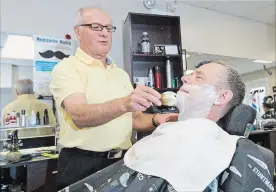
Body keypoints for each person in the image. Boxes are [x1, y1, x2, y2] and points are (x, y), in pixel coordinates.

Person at [58, 60, 274, 192]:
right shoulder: (175, 133)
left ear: (222, 96)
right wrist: (154, 120)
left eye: (198, 77)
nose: (184, 78)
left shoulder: (210, 145)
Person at [49, 6, 178, 190]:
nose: (104, 34)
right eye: (96, 27)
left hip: (123, 160)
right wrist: (125, 103)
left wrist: (160, 119)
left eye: (109, 28)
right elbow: (79, 115)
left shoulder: (121, 74)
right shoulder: (67, 68)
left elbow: (135, 118)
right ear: (78, 32)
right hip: (82, 163)